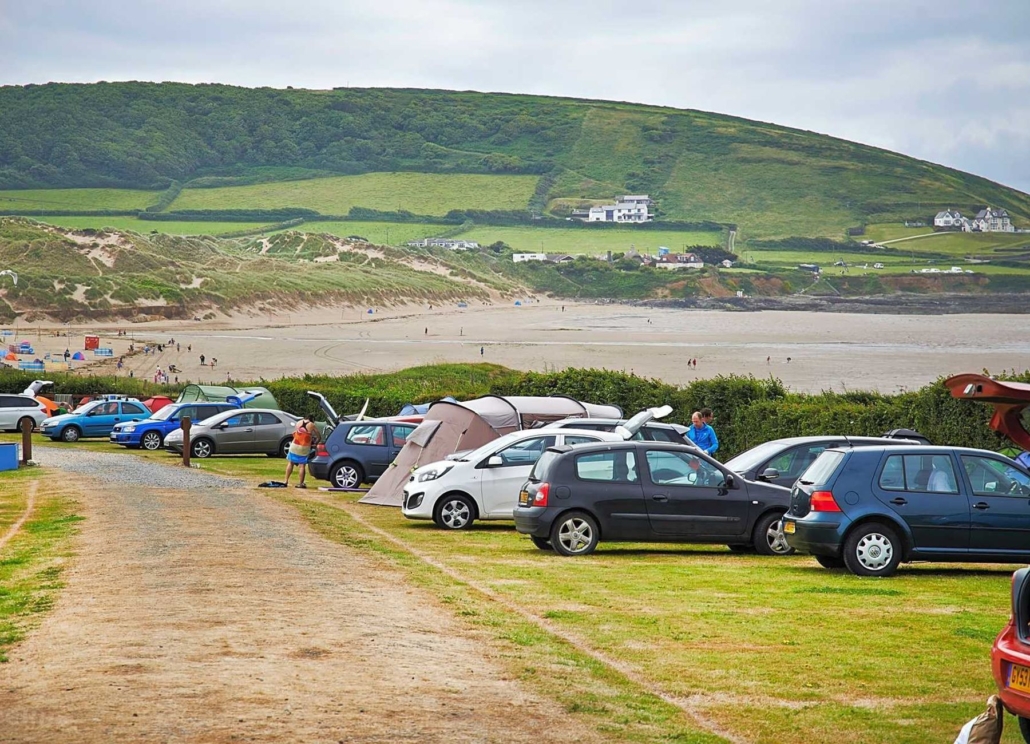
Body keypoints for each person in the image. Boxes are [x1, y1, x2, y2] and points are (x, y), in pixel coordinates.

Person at [284, 416, 318, 488]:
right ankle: (301, 483)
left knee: (290, 463)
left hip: (294, 445)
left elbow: (295, 433)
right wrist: (315, 443)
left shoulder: (298, 423)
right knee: (302, 466)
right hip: (304, 447)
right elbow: (319, 436)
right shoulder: (312, 424)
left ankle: (286, 481)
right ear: (312, 420)